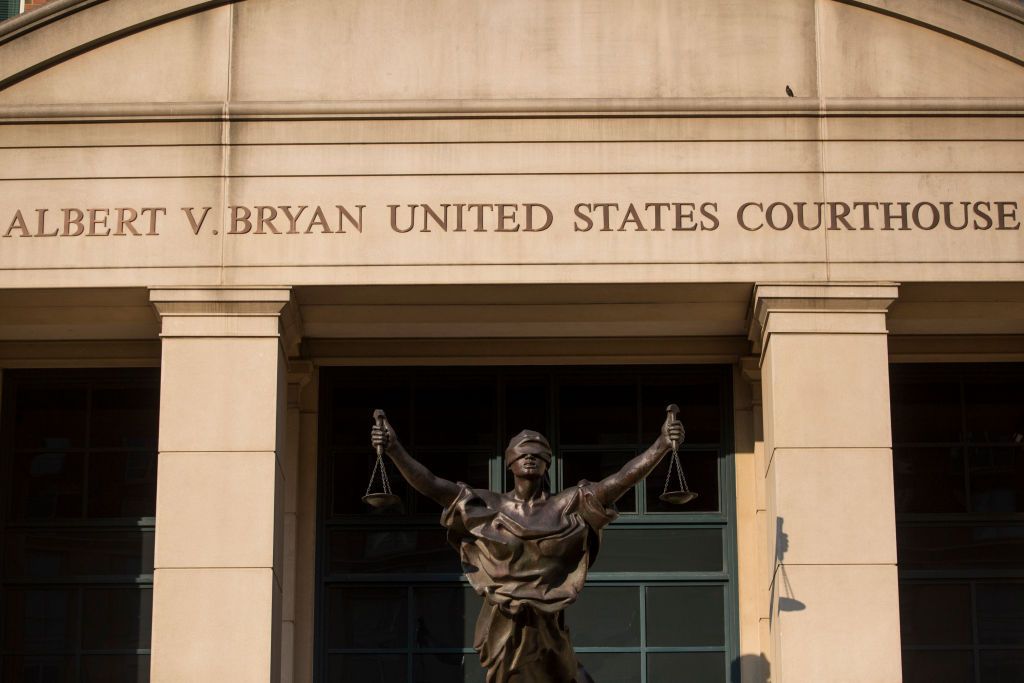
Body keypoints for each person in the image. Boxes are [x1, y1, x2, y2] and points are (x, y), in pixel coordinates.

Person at [371, 409, 684, 683]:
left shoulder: (567, 505)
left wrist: (660, 445)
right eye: (522, 452)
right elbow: (431, 484)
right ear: (510, 462)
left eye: (538, 452)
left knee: (568, 675)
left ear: (547, 462)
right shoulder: (487, 505)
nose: (530, 456)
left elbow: (619, 481)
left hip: (548, 621)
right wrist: (395, 448)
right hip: (503, 620)